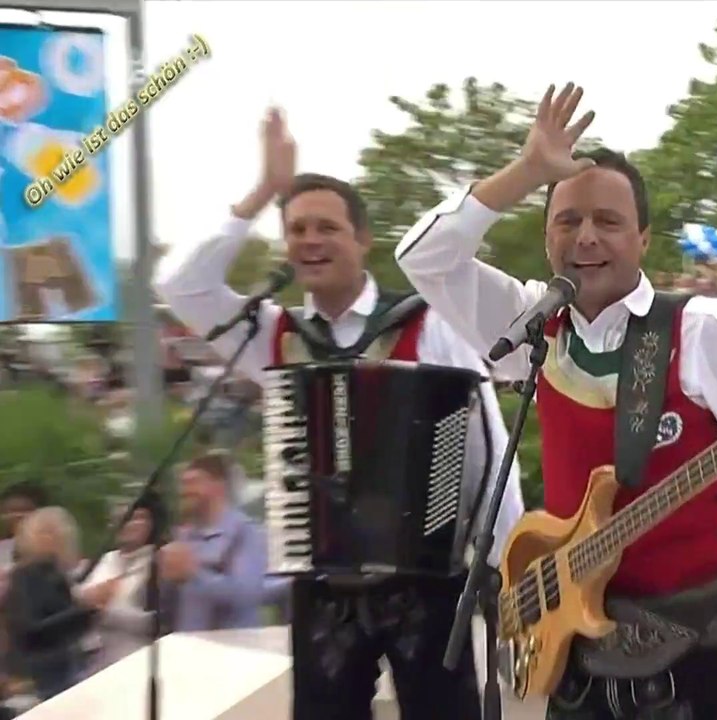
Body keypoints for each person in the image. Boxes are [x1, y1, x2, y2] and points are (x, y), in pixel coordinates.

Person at [396, 83, 717, 719]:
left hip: (689, 656)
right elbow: (424, 258)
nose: (586, 237)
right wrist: (527, 171)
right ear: (546, 238)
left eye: (608, 222)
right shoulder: (533, 324)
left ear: (643, 239)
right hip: (576, 659)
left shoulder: (702, 329)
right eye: (568, 221)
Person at [152, 108, 524, 720]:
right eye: (296, 230)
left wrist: (507, 562)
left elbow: (488, 444)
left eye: (326, 227)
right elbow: (182, 287)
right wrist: (262, 193)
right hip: (322, 582)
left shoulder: (427, 321)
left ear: (362, 240)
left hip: (426, 580)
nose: (309, 241)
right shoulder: (273, 333)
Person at [4, 507, 113, 702]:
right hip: (37, 679)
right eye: (44, 532)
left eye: (55, 532)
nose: (51, 539)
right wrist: (85, 609)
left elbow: (70, 628)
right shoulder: (24, 576)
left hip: (64, 672)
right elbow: (30, 631)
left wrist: (92, 611)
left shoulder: (58, 575)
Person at [158, 452, 265, 632]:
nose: (185, 491)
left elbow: (249, 595)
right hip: (190, 649)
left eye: (193, 482)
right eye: (183, 484)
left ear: (219, 486)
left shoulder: (245, 532)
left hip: (233, 651)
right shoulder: (183, 537)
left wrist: (194, 573)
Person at [81, 500, 162, 675]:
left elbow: (160, 622)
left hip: (134, 662)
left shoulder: (158, 562)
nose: (126, 523)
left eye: (136, 518)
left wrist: (103, 611)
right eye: (119, 518)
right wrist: (86, 600)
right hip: (90, 663)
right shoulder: (103, 560)